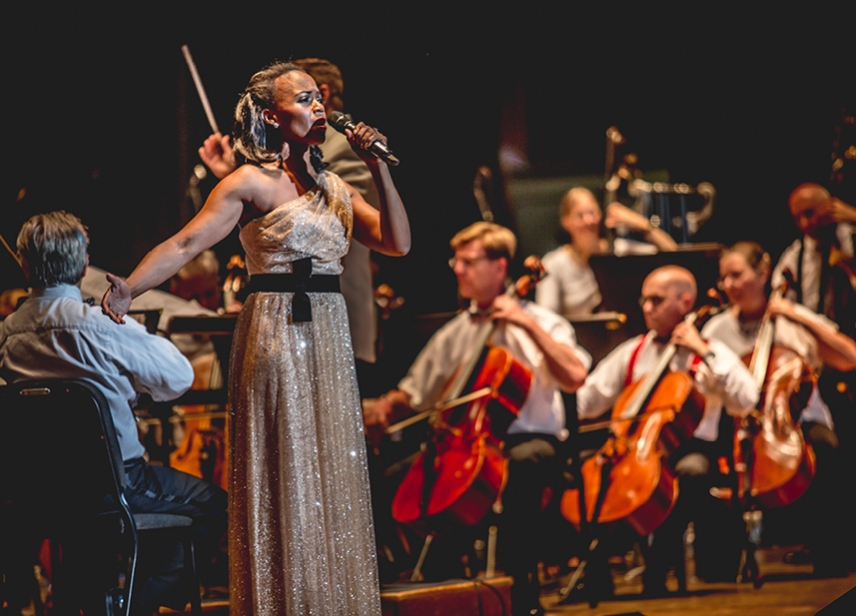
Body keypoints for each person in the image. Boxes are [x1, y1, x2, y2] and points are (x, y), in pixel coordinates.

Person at [101, 61, 410, 615]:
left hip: (329, 334)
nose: (320, 107)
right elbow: (184, 244)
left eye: (321, 99)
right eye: (305, 99)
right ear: (272, 115)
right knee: (285, 467)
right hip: (275, 331)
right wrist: (130, 288)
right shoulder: (247, 182)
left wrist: (377, 170)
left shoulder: (336, 186)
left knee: (329, 466)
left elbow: (396, 242)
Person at [0, 211, 227, 615]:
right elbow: (179, 376)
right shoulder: (102, 329)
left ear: (24, 265)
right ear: (85, 266)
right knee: (217, 505)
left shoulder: (6, 337)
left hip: (38, 494)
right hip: (115, 487)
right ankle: (137, 603)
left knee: (83, 525)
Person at [363, 222, 591, 616]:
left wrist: (525, 323)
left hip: (528, 440)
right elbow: (416, 392)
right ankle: (438, 588)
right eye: (457, 261)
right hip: (465, 444)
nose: (458, 269)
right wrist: (383, 406)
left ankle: (522, 595)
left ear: (500, 267)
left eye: (469, 262)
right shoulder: (456, 332)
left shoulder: (544, 322)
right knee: (386, 480)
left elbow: (574, 375)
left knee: (520, 466)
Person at [198, 57, 383, 392]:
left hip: (335, 309)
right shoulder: (271, 167)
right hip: (287, 314)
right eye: (300, 97)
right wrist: (235, 180)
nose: (313, 107)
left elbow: (315, 209)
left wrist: (239, 178)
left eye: (311, 96)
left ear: (322, 92)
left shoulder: (340, 151)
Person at [576, 265, 758, 596]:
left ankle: (658, 568)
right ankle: (595, 574)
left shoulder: (709, 350)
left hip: (691, 446)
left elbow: (746, 399)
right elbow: (587, 402)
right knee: (588, 473)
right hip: (633, 446)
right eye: (644, 300)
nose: (647, 308)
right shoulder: (633, 351)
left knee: (688, 474)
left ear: (685, 302)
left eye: (656, 300)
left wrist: (704, 351)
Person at [702, 241, 856, 576]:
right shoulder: (717, 329)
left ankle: (833, 557)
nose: (728, 285)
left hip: (797, 420)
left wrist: (796, 316)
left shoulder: (793, 319)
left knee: (826, 450)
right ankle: (719, 565)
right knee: (709, 458)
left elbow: (849, 357)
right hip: (737, 423)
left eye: (737, 275)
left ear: (762, 274)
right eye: (723, 278)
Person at [536, 187, 677, 319]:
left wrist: (642, 225)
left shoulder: (618, 249)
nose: (589, 221)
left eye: (592, 213)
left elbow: (673, 253)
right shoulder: (553, 263)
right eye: (580, 215)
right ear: (565, 222)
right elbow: (546, 317)